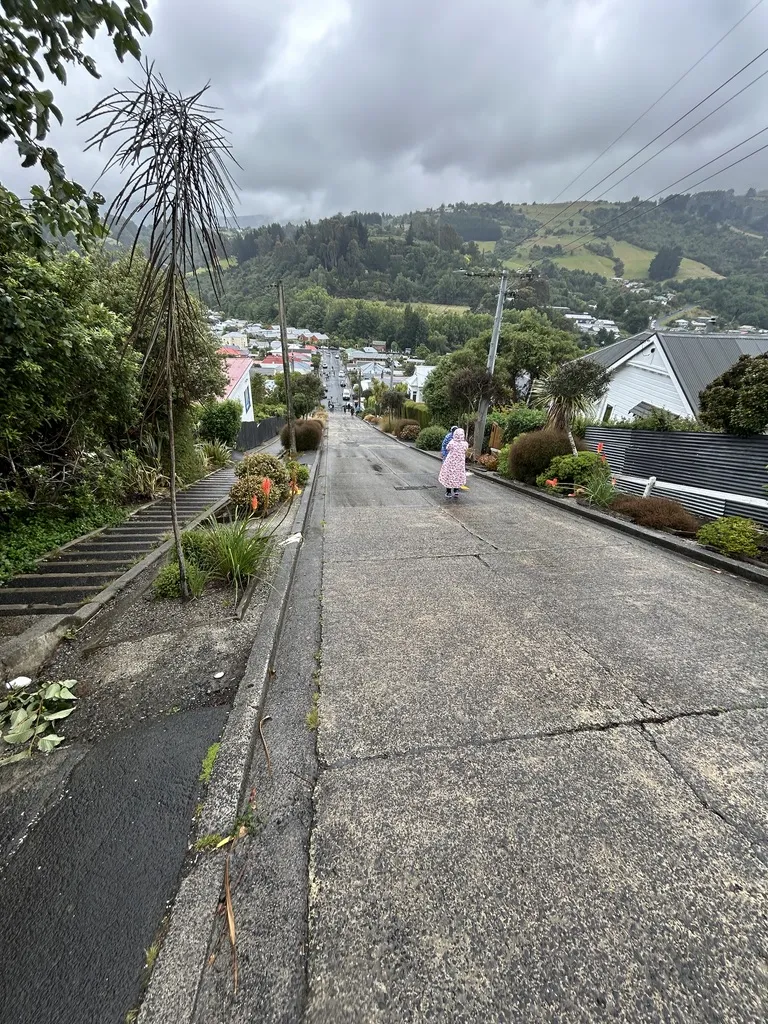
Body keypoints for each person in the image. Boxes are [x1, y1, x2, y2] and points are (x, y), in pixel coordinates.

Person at [438, 427, 468, 499]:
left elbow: (447, 448)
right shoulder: (465, 444)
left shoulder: (452, 442)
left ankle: (448, 492)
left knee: (449, 476)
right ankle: (456, 490)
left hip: (450, 463)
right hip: (459, 464)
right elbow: (465, 449)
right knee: (457, 476)